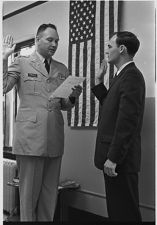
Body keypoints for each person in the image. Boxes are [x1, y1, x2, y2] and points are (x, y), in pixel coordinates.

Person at [3, 23, 82, 221]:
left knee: (49, 195)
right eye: (50, 39)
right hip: (30, 139)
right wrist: (3, 58)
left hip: (54, 137)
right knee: (28, 196)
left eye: (57, 41)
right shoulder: (21, 62)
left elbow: (63, 104)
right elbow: (4, 86)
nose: (54, 44)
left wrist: (73, 97)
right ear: (37, 40)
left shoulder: (62, 69)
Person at [92, 31, 145, 222]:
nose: (106, 51)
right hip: (115, 160)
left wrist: (113, 158)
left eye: (109, 46)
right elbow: (110, 106)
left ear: (121, 49)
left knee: (125, 214)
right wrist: (99, 81)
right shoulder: (121, 76)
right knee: (117, 212)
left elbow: (127, 122)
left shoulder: (132, 76)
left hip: (120, 161)